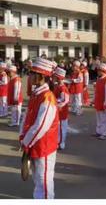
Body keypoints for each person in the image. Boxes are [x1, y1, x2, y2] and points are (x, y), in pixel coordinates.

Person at [20, 57, 58, 199]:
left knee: (44, 181)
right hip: (34, 144)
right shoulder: (37, 94)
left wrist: (26, 141)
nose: (29, 76)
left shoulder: (47, 97)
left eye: (32, 73)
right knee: (38, 178)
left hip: (44, 146)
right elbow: (27, 117)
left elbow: (41, 126)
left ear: (41, 76)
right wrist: (22, 135)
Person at [94, 62, 106, 140]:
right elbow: (96, 91)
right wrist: (93, 100)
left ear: (103, 71)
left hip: (105, 103)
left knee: (105, 119)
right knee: (99, 118)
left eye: (99, 70)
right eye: (98, 70)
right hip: (98, 102)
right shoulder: (99, 79)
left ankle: (105, 133)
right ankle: (99, 131)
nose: (98, 72)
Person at [52, 67, 70, 150]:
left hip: (62, 111)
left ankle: (61, 143)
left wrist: (55, 102)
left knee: (62, 128)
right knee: (58, 127)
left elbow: (65, 100)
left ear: (59, 78)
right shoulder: (57, 86)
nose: (54, 78)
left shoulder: (63, 88)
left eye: (55, 77)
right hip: (58, 110)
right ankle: (58, 141)